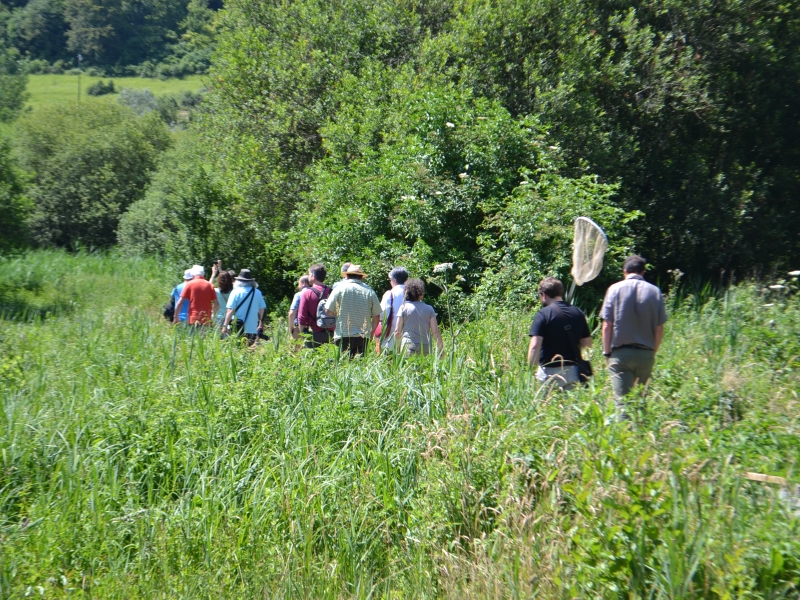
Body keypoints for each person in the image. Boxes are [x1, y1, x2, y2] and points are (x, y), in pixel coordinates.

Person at [600, 255, 668, 402]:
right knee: (640, 402)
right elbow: (659, 328)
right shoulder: (655, 292)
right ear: (643, 272)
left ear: (625, 271)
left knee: (622, 403)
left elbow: (607, 326)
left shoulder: (614, 289)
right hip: (646, 353)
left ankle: (623, 425)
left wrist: (607, 353)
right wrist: (651, 352)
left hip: (620, 355)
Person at [527, 277, 592, 391]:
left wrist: (531, 370)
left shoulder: (543, 314)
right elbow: (586, 344)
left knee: (545, 407)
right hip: (573, 372)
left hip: (549, 373)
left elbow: (534, 346)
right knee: (570, 408)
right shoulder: (578, 312)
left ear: (543, 295)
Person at [324, 264, 381, 357]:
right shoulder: (370, 292)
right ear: (362, 277)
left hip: (343, 335)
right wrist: (371, 334)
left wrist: (338, 313)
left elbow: (328, 311)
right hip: (363, 336)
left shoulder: (339, 289)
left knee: (343, 367)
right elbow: (377, 316)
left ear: (347, 276)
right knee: (361, 366)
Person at [394, 278, 444, 357]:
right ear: (420, 293)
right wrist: (441, 350)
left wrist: (396, 348)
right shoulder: (429, 309)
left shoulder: (403, 308)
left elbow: (397, 331)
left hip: (408, 344)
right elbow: (435, 331)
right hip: (425, 346)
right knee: (424, 369)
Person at [223, 269, 267, 345]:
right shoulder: (257, 292)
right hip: (253, 328)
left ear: (238, 281)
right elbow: (262, 309)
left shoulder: (235, 292)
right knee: (250, 351)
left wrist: (225, 325)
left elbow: (230, 310)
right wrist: (261, 324)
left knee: (237, 350)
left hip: (237, 328)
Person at [298, 265, 335, 348]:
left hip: (314, 334)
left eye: (309, 274)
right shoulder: (332, 292)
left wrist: (303, 335)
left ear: (313, 277)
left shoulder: (307, 293)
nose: (308, 276)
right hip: (332, 334)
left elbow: (302, 318)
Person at [377, 266, 408, 351]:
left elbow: (382, 314)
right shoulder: (412, 293)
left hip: (391, 336)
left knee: (390, 361)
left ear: (394, 280)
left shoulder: (390, 294)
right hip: (409, 337)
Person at [288, 275, 310, 339]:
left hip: (299, 327)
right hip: (314, 327)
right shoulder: (316, 293)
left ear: (304, 283)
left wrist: (291, 327)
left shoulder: (298, 295)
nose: (298, 286)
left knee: (296, 348)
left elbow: (292, 312)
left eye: (299, 283)